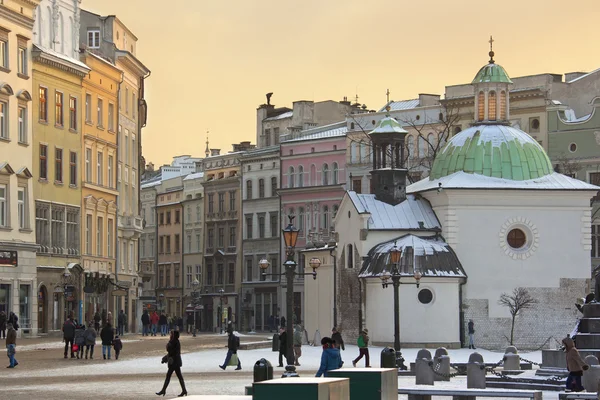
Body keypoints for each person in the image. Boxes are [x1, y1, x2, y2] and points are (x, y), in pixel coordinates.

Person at [156, 330, 187, 397]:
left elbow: (171, 352)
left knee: (169, 376)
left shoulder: (174, 342)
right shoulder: (176, 342)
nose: (170, 335)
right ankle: (184, 390)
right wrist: (165, 358)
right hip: (176, 362)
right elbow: (171, 352)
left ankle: (163, 390)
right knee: (178, 376)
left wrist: (166, 358)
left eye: (171, 334)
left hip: (174, 362)